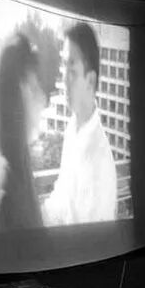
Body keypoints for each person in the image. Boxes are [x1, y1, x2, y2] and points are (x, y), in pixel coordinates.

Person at [42, 23, 118, 226]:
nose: (64, 79)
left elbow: (93, 240)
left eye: (72, 70)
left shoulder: (99, 160)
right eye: (63, 67)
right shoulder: (72, 130)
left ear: (90, 81)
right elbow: (60, 199)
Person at [0, 34, 47, 232]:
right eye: (35, 86)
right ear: (21, 93)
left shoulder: (16, 163)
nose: (42, 99)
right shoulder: (6, 183)